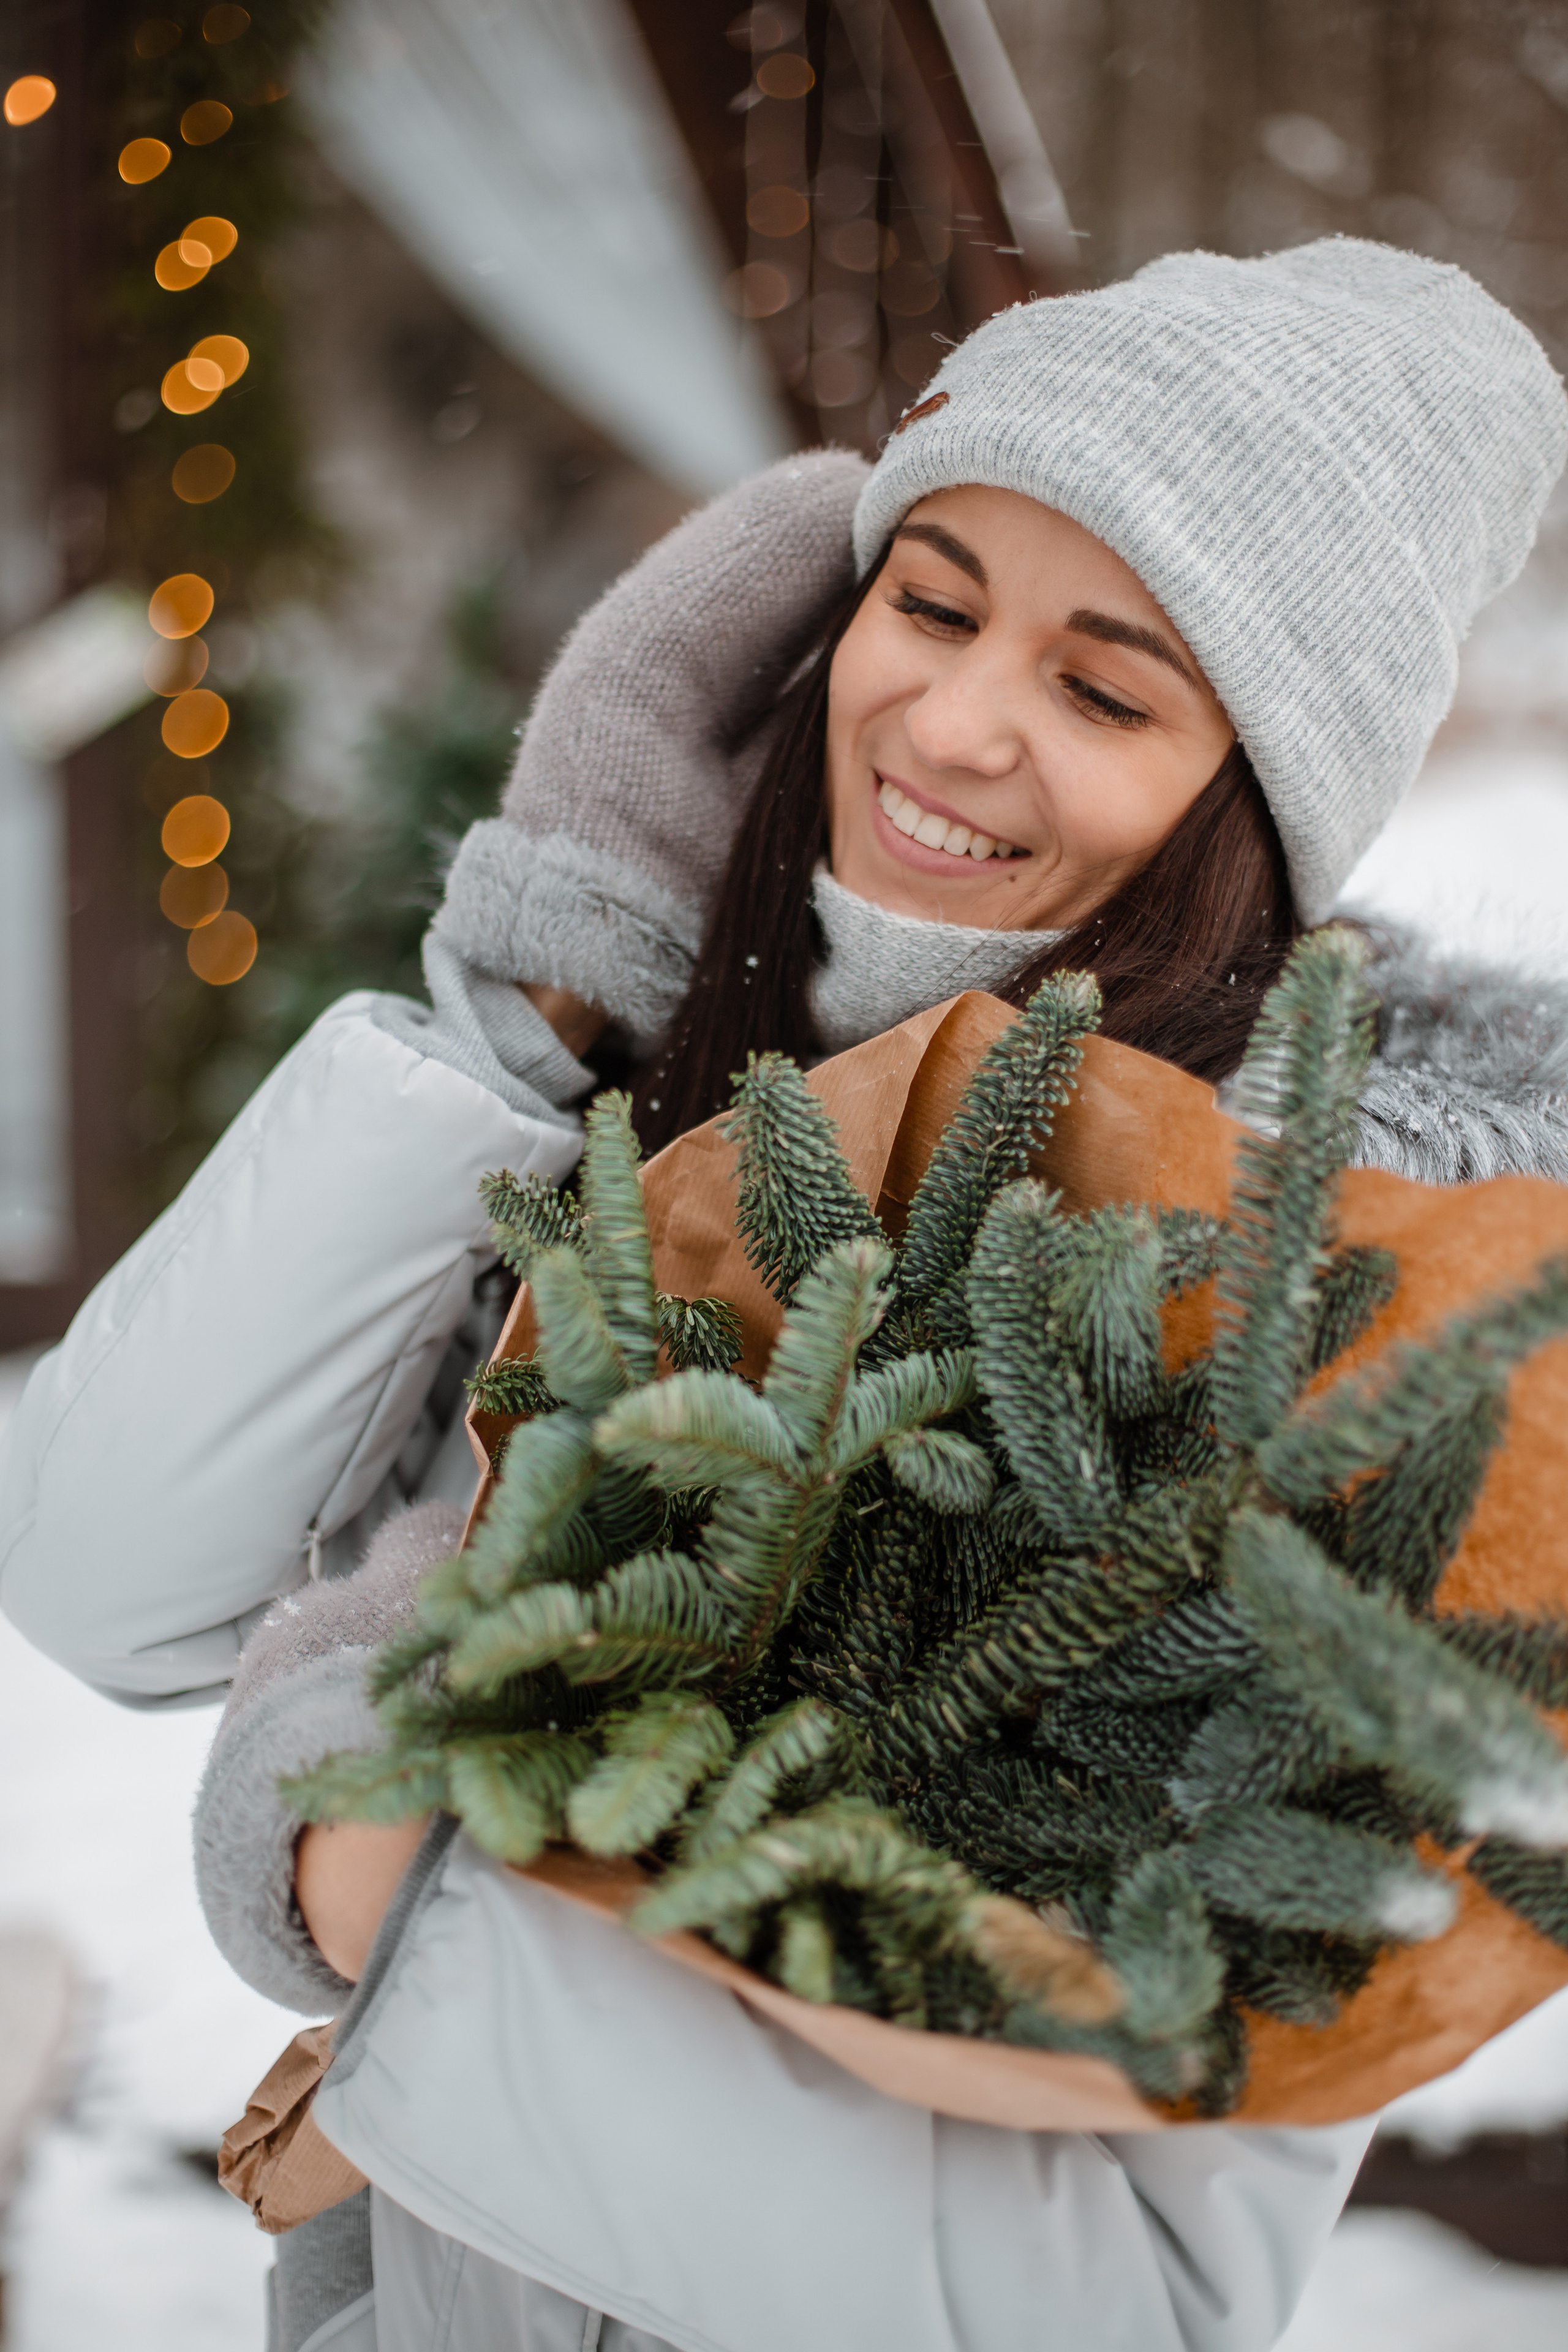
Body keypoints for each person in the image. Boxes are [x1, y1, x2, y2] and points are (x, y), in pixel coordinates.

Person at [4, 237, 1567, 2352]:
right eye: (928, 606)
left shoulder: (1323, 1311)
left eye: (1105, 690)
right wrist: (530, 1011)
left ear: (1255, 810)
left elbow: (1120, 2297)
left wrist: (412, 1890)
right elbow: (113, 1577)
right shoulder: (645, 1092)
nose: (955, 719)